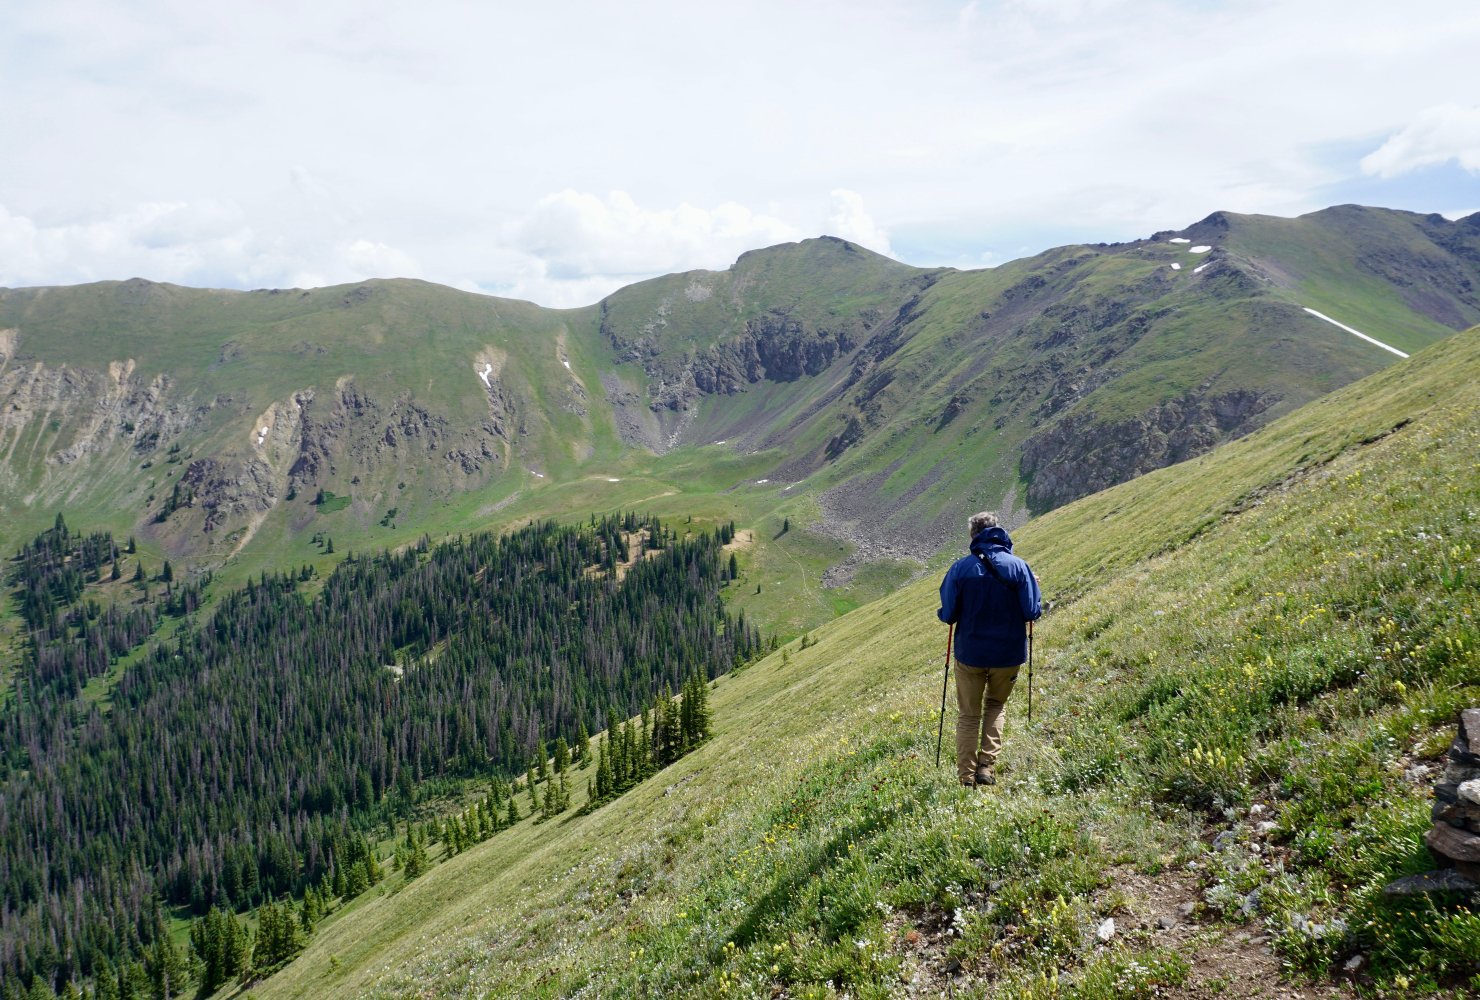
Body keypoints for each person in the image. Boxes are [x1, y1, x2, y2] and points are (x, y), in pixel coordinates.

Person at [937, 511, 1041, 788]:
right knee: (996, 705)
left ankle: (965, 777)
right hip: (1007, 655)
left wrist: (944, 611)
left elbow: (948, 614)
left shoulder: (960, 569)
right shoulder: (1020, 567)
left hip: (970, 654)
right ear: (999, 532)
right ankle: (986, 767)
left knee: (969, 714)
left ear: (973, 536)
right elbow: (1031, 611)